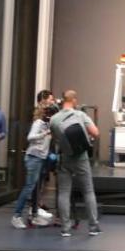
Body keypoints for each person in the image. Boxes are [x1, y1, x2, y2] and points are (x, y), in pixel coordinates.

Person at [49, 91, 102, 237]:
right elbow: (96, 133)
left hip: (64, 157)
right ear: (73, 100)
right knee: (88, 191)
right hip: (81, 158)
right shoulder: (80, 115)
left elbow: (54, 138)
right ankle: (93, 227)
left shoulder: (54, 119)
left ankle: (65, 228)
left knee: (64, 193)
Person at [12, 103, 58, 229]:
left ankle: (34, 215)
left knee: (35, 189)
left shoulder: (48, 125)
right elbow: (30, 137)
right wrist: (45, 133)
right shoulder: (38, 123)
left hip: (41, 158)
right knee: (29, 187)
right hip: (34, 157)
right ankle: (16, 216)